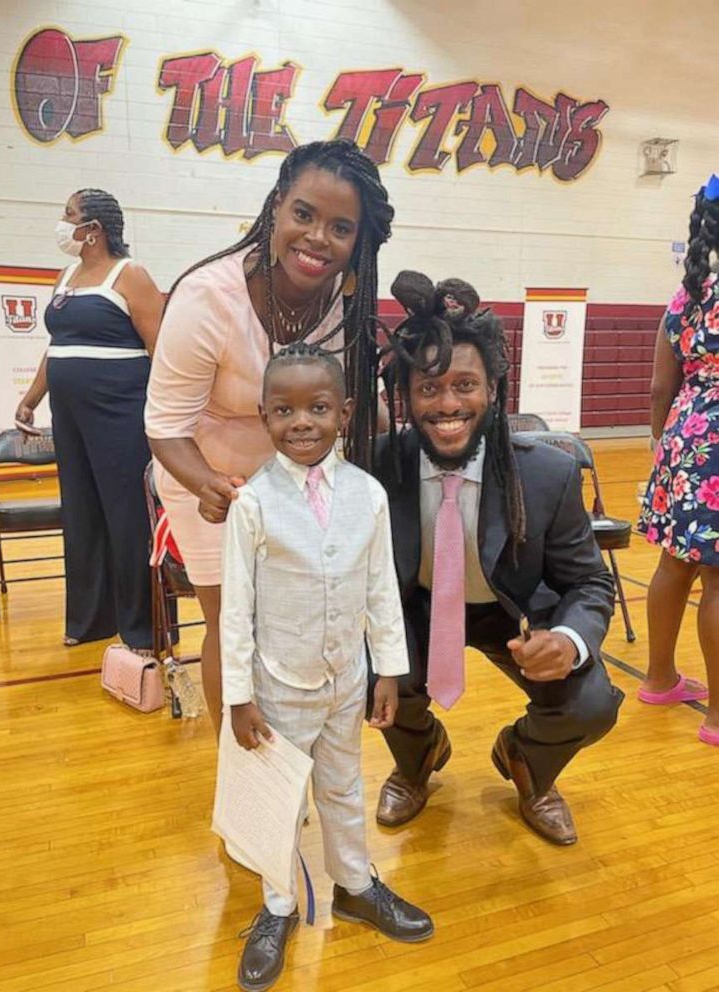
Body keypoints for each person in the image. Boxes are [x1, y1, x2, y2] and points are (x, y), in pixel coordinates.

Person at [145, 139, 393, 735]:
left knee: (296, 615)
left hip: (298, 472)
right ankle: (244, 768)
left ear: (358, 240)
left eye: (340, 227)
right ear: (277, 206)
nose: (317, 238)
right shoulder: (209, 296)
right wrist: (210, 485)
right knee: (230, 619)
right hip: (206, 473)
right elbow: (165, 427)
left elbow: (361, 411)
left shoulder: (347, 304)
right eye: (304, 214)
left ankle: (295, 747)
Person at [371, 271, 624, 845]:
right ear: (406, 397)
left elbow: (588, 582)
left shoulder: (546, 472)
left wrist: (569, 641)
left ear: (493, 390)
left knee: (591, 704)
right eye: (428, 388)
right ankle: (417, 759)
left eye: (465, 385)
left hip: (512, 613)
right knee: (368, 668)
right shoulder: (378, 465)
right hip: (418, 608)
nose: (447, 404)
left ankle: (527, 763)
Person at [223, 343, 433, 992]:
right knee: (281, 800)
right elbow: (235, 610)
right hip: (278, 686)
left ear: (344, 412)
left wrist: (388, 671)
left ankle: (354, 884)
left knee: (343, 787)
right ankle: (279, 904)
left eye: (318, 407)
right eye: (284, 410)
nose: (302, 422)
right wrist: (238, 696)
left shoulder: (366, 496)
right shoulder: (252, 505)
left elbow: (378, 591)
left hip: (347, 680)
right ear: (264, 416)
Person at [16, 189, 164, 649]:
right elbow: (57, 346)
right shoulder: (67, 275)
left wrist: (166, 418)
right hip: (69, 415)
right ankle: (90, 620)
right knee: (81, 512)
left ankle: (141, 627)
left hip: (120, 413)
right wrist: (31, 397)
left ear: (94, 230)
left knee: (127, 516)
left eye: (69, 215)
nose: (62, 223)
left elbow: (162, 350)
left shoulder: (131, 275)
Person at [636, 174, 719, 744]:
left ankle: (660, 677)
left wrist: (660, 444)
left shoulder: (686, 295)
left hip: (684, 438)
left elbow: (659, 387)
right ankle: (717, 718)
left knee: (675, 563)